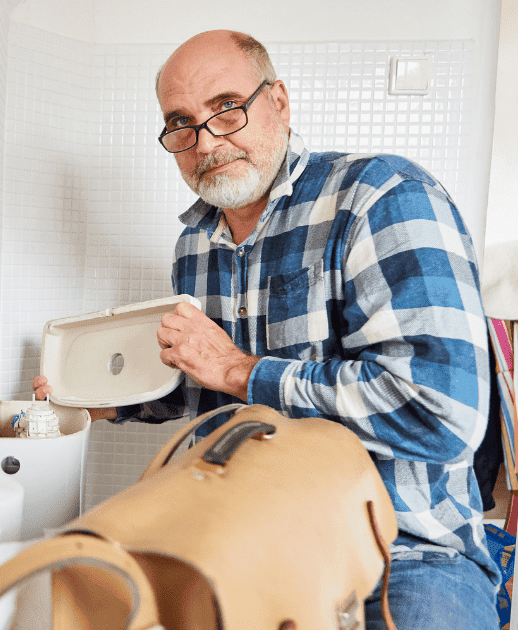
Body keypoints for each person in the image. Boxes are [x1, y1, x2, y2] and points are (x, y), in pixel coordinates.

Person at [34, 30, 500, 629]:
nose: (205, 140)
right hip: (254, 529)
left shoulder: (382, 196)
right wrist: (103, 402)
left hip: (407, 549)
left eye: (227, 107)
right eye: (181, 122)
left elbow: (441, 411)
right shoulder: (195, 247)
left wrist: (238, 367)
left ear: (278, 101)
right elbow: (213, 385)